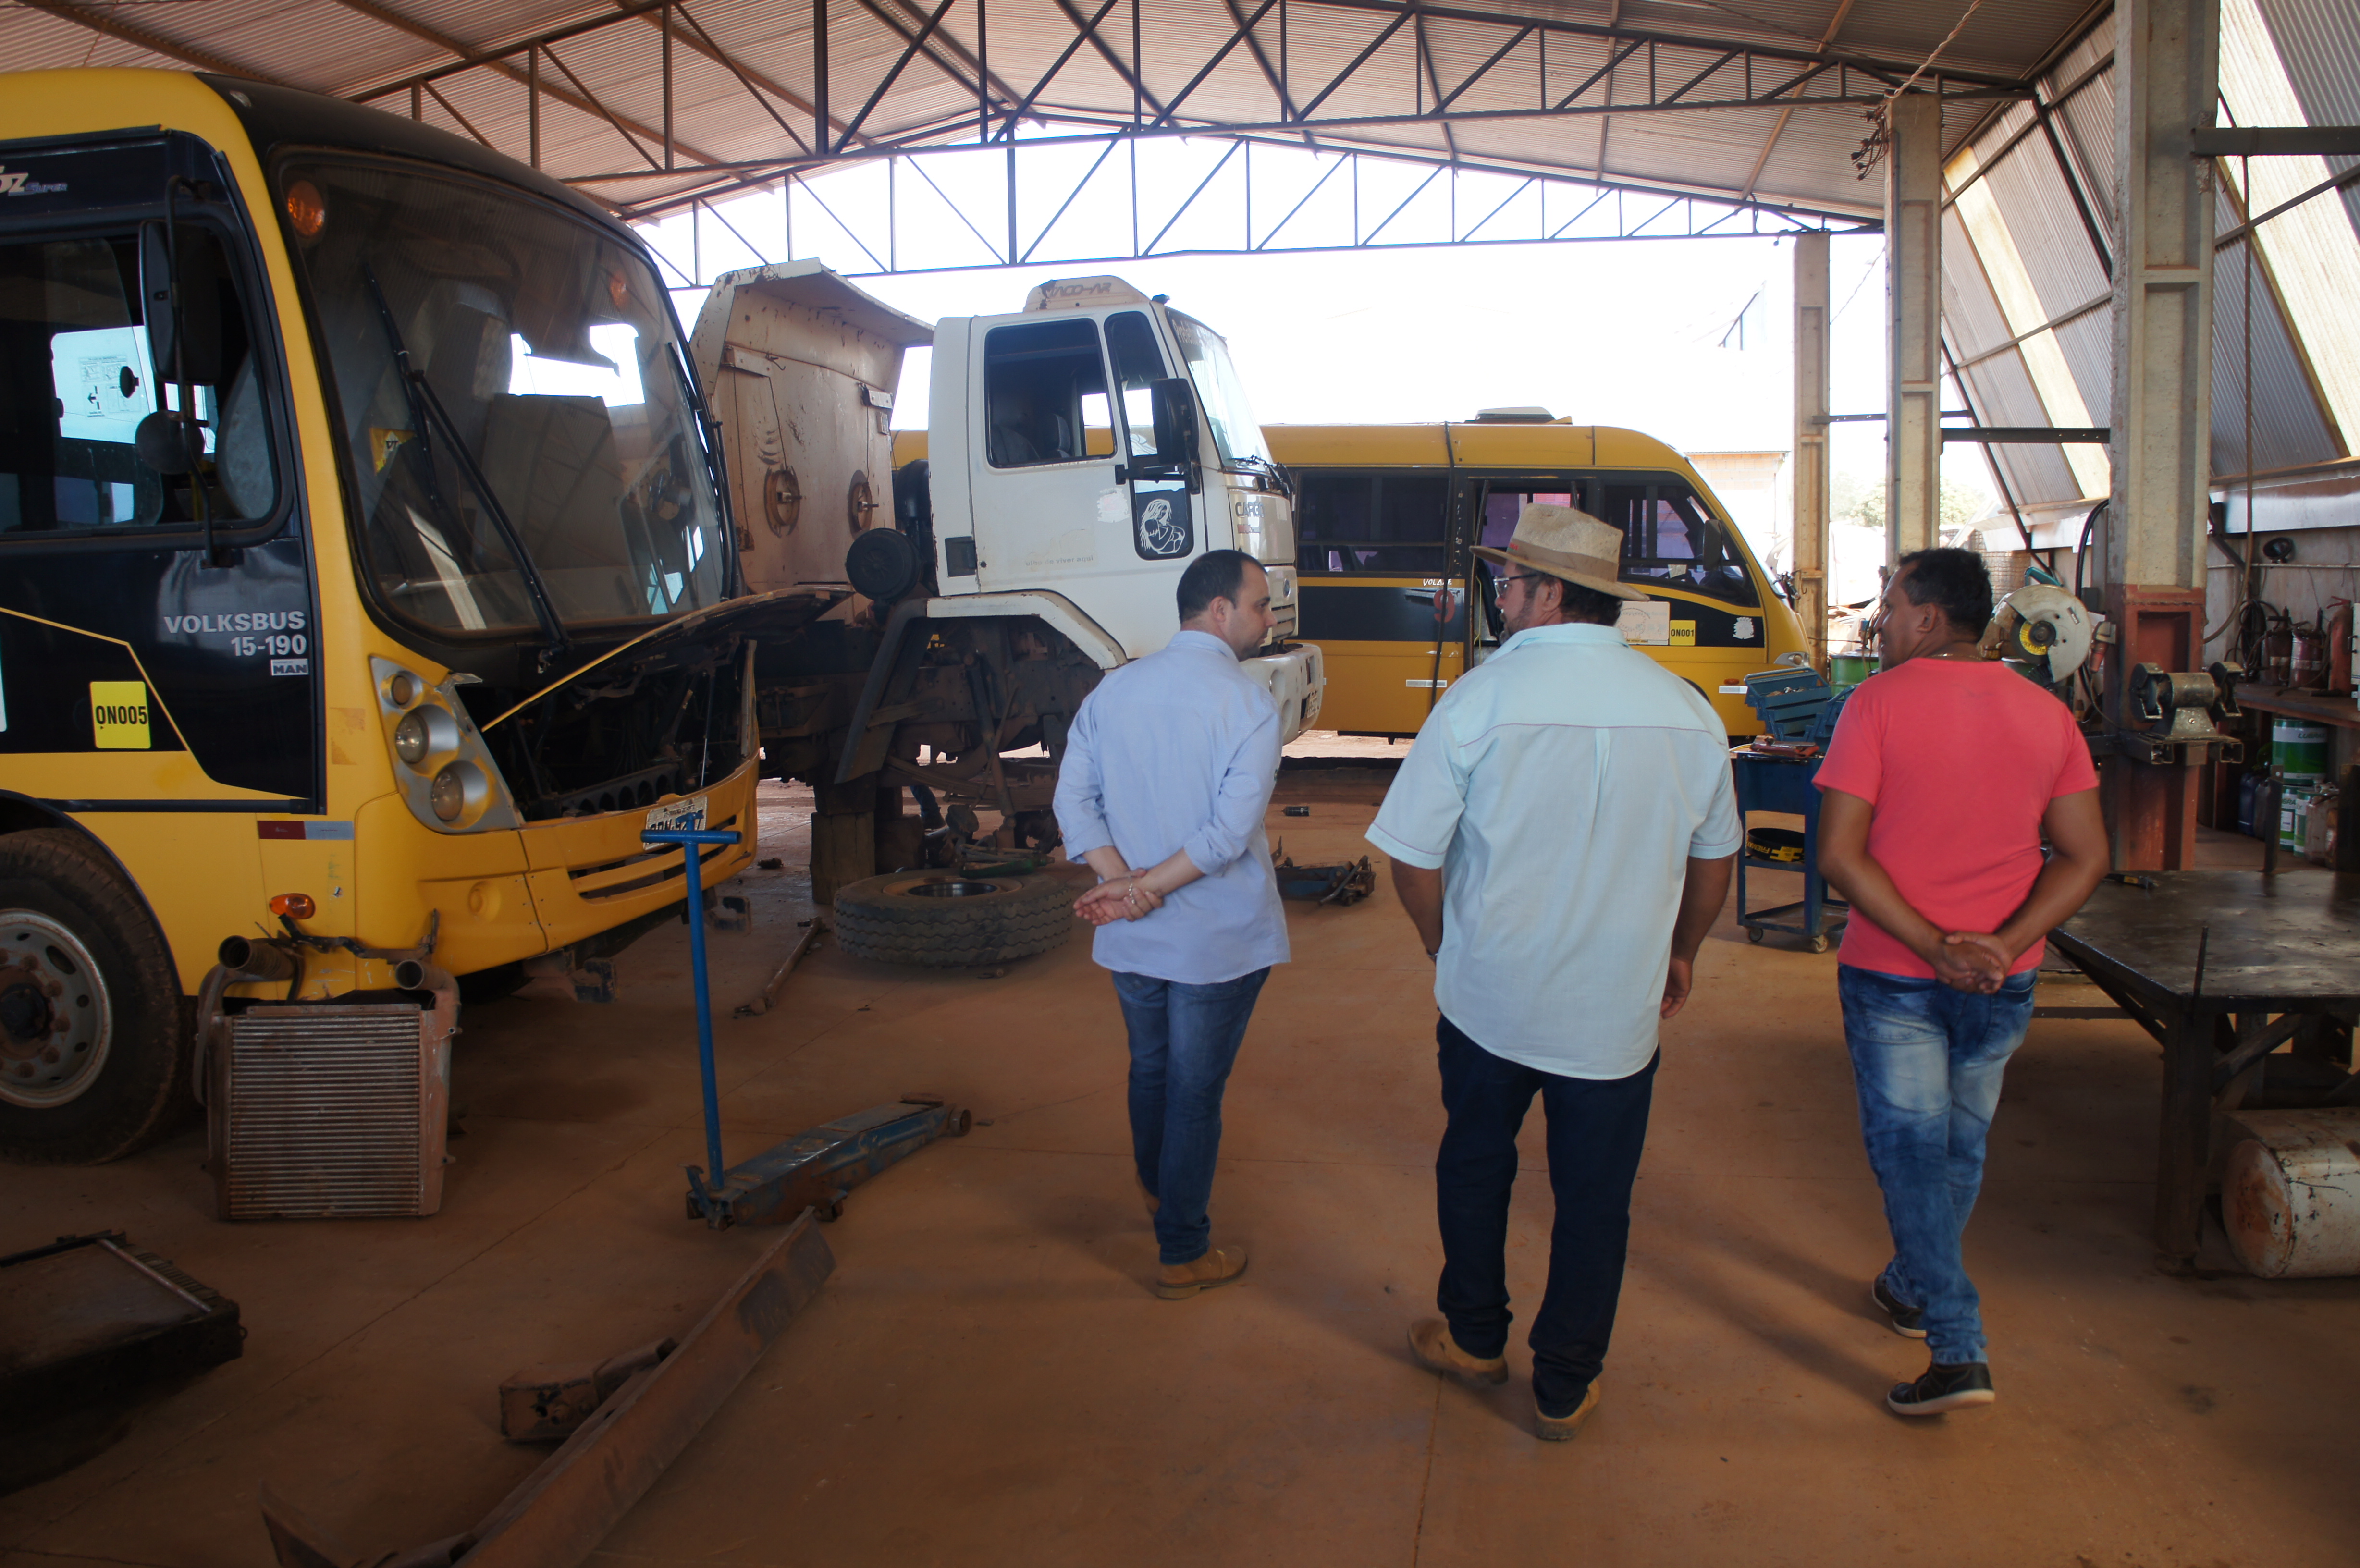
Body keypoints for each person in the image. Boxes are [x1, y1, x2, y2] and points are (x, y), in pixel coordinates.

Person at [1366, 504, 1740, 1441]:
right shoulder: (1686, 711)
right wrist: (1682, 950)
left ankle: (1474, 1339)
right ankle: (1564, 1386)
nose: (1499, 598)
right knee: (1594, 1201)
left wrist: (1441, 946)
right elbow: (1714, 861)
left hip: (1488, 999)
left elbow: (1412, 858)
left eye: (1508, 583)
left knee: (1475, 1164)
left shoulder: (1478, 701)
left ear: (1546, 594)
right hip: (1615, 1014)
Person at [1813, 546, 2107, 1417]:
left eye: (1889, 608)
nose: (1882, 625)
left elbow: (1839, 855)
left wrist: (1932, 946)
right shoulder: (2047, 713)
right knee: (1959, 1146)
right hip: (2001, 980)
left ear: (1928, 617)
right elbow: (2086, 856)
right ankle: (1911, 1287)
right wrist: (2002, 945)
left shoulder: (1875, 705)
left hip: (1895, 975)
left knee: (1911, 1155)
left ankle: (1957, 1346)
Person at [1053, 548, 1288, 1300]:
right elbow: (1226, 837)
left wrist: (1120, 884)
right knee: (1193, 1092)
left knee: (1152, 1068)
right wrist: (1141, 889)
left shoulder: (1114, 690)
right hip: (1215, 941)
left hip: (1133, 936)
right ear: (1220, 610)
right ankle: (1183, 1251)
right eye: (1261, 605)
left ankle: (1160, 1191)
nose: (1269, 619)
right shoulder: (1248, 705)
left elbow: (1073, 802)